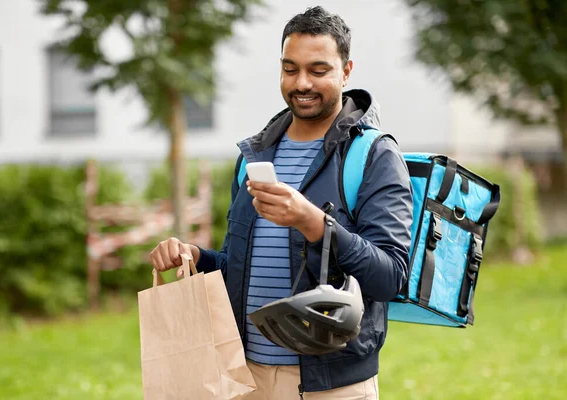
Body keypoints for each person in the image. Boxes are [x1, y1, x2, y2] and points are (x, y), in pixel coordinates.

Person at [150, 6, 413, 400]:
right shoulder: (254, 158)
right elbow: (238, 267)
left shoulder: (373, 155)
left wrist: (314, 224)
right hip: (245, 377)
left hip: (332, 386)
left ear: (346, 71)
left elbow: (391, 276)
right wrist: (196, 257)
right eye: (290, 69)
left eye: (318, 70)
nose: (302, 82)